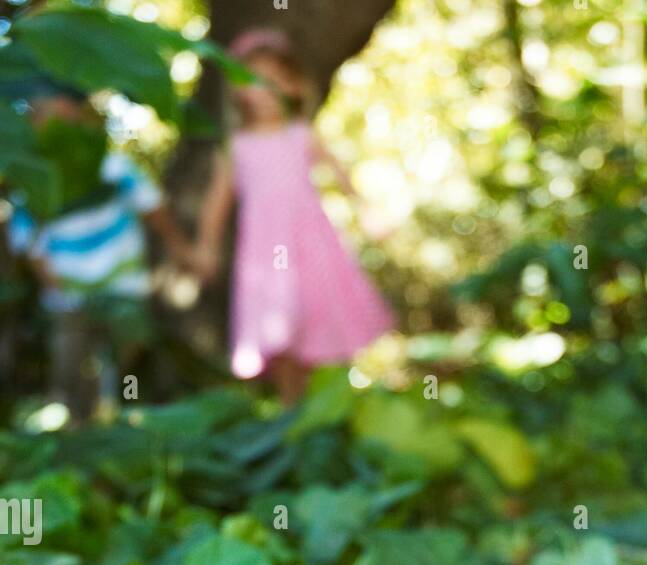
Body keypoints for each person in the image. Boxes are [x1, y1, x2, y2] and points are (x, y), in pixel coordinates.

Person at [192, 29, 394, 405]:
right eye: (252, 81)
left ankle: (330, 409)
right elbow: (215, 204)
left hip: (311, 245)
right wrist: (206, 247)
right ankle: (291, 412)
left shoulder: (302, 135)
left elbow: (342, 176)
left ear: (294, 86)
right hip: (265, 253)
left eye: (275, 80)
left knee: (318, 317)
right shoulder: (237, 147)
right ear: (238, 91)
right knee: (279, 331)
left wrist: (367, 212)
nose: (264, 90)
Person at [7, 80, 195, 423]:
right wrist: (50, 279)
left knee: (129, 364)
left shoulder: (113, 168)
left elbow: (153, 209)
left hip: (122, 287)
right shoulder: (35, 180)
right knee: (72, 365)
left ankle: (131, 418)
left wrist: (182, 252)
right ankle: (79, 427)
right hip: (69, 294)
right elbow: (27, 240)